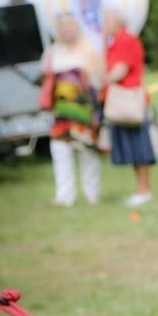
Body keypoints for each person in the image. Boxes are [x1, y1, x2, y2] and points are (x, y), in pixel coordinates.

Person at [41, 13, 103, 207]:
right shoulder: (53, 52)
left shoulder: (88, 49)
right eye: (63, 27)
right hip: (61, 113)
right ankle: (64, 195)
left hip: (83, 111)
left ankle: (92, 193)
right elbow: (46, 77)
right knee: (61, 151)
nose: (67, 30)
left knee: (86, 151)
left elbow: (98, 80)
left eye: (70, 26)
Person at [103, 8, 156, 208]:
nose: (104, 24)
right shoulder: (113, 40)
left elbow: (120, 69)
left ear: (117, 22)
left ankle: (145, 190)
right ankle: (140, 189)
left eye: (106, 20)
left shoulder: (125, 39)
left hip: (130, 99)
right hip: (122, 101)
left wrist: (103, 80)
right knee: (132, 148)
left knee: (138, 146)